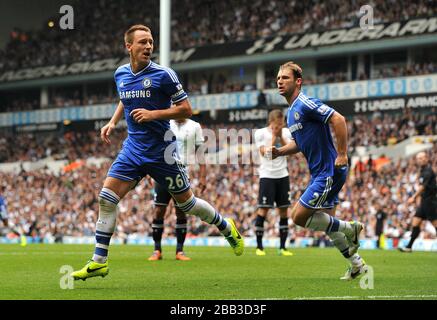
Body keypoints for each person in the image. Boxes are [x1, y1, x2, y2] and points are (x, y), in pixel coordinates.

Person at [71, 25, 244, 281]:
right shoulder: (120, 74)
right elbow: (125, 97)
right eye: (142, 42)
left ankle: (225, 225)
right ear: (128, 46)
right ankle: (99, 261)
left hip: (163, 152)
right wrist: (112, 121)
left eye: (151, 42)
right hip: (132, 149)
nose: (148, 46)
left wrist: (154, 114)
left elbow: (186, 109)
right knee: (107, 198)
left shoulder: (164, 75)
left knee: (188, 204)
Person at [267, 61, 367, 280]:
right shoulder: (292, 110)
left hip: (329, 171)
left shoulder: (305, 103)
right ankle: (357, 264)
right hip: (322, 172)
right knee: (329, 225)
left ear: (298, 81)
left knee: (298, 217)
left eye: (285, 78)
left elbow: (338, 119)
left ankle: (352, 229)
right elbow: (299, 144)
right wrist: (279, 152)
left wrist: (342, 153)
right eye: (278, 78)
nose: (280, 82)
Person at [148, 118, 206, 261]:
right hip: (162, 170)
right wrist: (150, 171)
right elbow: (154, 147)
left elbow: (200, 154)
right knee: (159, 210)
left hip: (182, 171)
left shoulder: (195, 126)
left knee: (181, 211)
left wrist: (203, 177)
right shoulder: (165, 123)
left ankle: (179, 251)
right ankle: (157, 250)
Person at [253, 109, 293, 256]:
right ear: (271, 122)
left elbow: (289, 150)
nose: (279, 127)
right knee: (263, 210)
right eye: (277, 125)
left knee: (284, 211)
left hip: (283, 175)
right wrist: (273, 137)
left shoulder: (286, 132)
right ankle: (259, 247)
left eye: (281, 124)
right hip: (267, 176)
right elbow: (266, 154)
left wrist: (280, 135)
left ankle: (283, 247)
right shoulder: (261, 133)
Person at [399, 151, 437, 252]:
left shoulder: (428, 171)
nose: (420, 160)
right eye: (419, 158)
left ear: (426, 158)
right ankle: (409, 247)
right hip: (424, 201)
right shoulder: (422, 170)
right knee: (415, 222)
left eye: (422, 158)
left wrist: (414, 197)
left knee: (435, 224)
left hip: (430, 201)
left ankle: (409, 246)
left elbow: (423, 187)